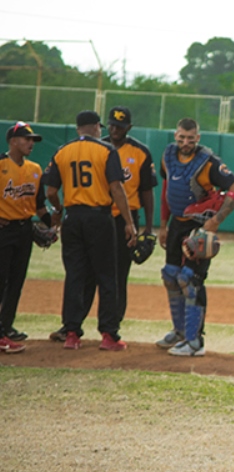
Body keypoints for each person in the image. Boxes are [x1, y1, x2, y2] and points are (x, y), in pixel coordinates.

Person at [49, 106, 157, 343]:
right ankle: (78, 327)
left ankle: (107, 326)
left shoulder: (140, 151)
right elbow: (115, 188)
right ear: (102, 126)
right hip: (103, 218)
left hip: (114, 219)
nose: (116, 129)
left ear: (129, 127)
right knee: (92, 274)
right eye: (112, 125)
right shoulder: (103, 149)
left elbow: (147, 191)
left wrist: (147, 227)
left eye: (121, 126)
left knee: (115, 275)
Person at [155, 117, 234, 357]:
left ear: (198, 137)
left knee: (190, 279)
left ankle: (195, 341)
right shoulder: (168, 156)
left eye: (190, 138)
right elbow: (166, 191)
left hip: (198, 228)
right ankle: (180, 332)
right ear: (175, 135)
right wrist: (163, 224)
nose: (185, 142)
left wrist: (214, 223)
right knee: (171, 276)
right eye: (182, 137)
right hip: (176, 223)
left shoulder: (209, 162)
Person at [0, 122, 49, 353]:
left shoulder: (36, 169)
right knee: (1, 281)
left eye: (33, 140)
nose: (31, 143)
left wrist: (52, 223)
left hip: (24, 230)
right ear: (13, 141)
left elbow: (39, 206)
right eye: (26, 139)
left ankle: (6, 327)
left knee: (16, 282)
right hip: (3, 230)